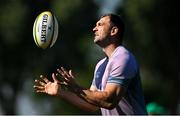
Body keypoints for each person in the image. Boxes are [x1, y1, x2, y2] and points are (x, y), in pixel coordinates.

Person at [34, 13, 147, 115]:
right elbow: (92, 105)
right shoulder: (101, 65)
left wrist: (75, 87)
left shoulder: (123, 57)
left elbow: (109, 101)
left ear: (114, 31)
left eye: (100, 25)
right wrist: (61, 92)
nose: (94, 29)